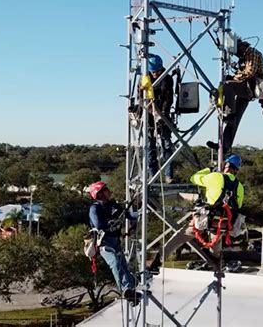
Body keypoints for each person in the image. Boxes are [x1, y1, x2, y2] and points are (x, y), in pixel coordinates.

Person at [147, 154, 245, 273]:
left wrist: (209, 170)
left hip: (204, 220)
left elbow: (194, 178)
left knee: (178, 238)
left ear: (226, 165)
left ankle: (156, 263)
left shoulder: (215, 177)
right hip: (222, 224)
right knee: (216, 247)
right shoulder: (239, 186)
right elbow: (237, 206)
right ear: (236, 170)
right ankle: (217, 264)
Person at [207, 39, 263, 154]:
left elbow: (250, 72)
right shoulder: (244, 56)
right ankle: (224, 146)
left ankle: (230, 114)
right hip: (247, 87)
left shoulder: (251, 53)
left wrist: (233, 79)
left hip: (251, 87)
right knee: (235, 119)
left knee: (228, 86)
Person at [88, 181, 140, 303]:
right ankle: (125, 289)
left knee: (123, 266)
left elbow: (128, 215)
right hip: (104, 242)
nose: (108, 191)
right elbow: (98, 224)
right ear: (99, 194)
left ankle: (131, 289)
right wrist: (111, 222)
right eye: (105, 189)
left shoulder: (113, 205)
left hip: (115, 241)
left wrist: (139, 213)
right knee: (115, 264)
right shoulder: (95, 208)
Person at [145, 54, 175, 183]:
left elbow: (168, 98)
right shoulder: (145, 79)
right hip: (148, 114)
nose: (155, 74)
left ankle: (168, 175)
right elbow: (141, 97)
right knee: (150, 146)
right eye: (153, 71)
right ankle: (153, 174)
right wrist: (149, 110)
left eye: (157, 71)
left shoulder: (166, 78)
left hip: (163, 114)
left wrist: (162, 113)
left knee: (167, 145)